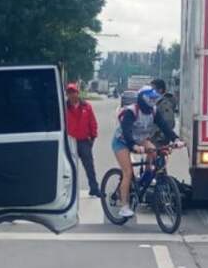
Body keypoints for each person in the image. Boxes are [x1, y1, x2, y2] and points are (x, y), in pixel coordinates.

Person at [111, 86, 183, 218]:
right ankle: (124, 206)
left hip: (140, 139)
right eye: (150, 99)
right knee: (127, 172)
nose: (152, 102)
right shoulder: (131, 111)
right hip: (122, 141)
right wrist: (133, 146)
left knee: (154, 152)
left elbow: (164, 127)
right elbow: (126, 132)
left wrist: (176, 139)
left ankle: (147, 177)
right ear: (142, 99)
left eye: (154, 99)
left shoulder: (153, 111)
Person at [65, 83, 101, 197]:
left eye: (73, 92)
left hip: (84, 141)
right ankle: (68, 192)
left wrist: (93, 137)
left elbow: (93, 123)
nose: (72, 95)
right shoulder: (63, 107)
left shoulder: (87, 106)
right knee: (68, 168)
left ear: (78, 93)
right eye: (69, 93)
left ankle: (94, 188)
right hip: (70, 141)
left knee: (89, 166)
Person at [150, 78, 176, 147]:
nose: (151, 92)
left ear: (160, 90)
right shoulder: (157, 102)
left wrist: (160, 138)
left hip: (159, 141)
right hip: (154, 139)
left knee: (155, 157)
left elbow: (168, 121)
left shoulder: (164, 104)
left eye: (153, 89)